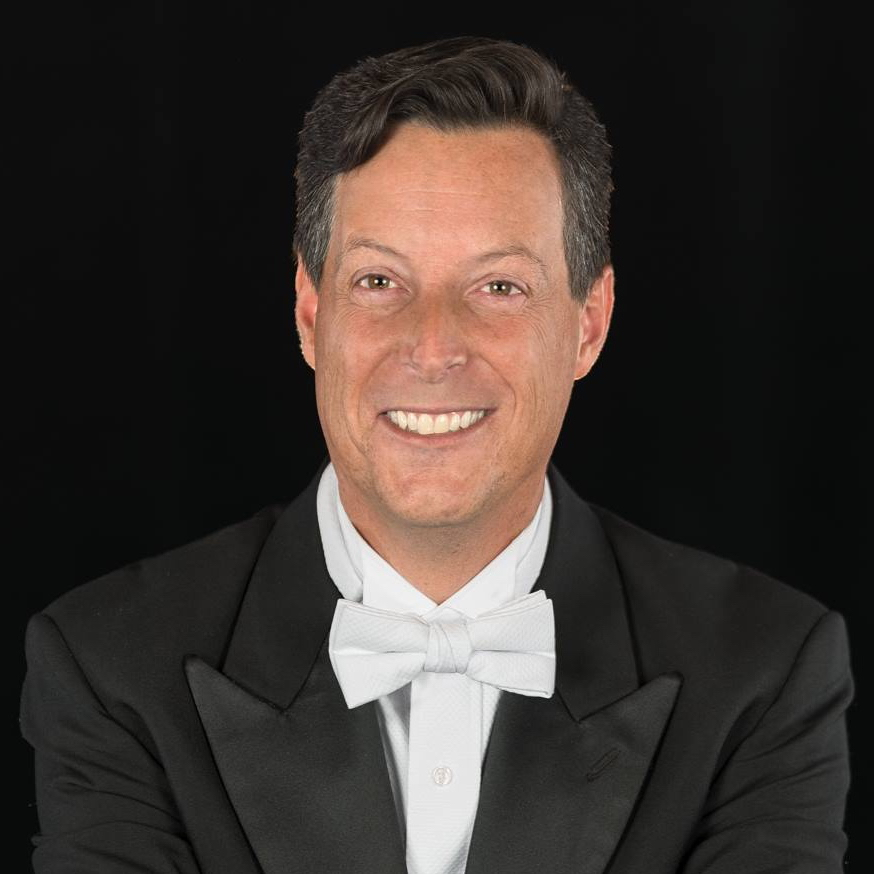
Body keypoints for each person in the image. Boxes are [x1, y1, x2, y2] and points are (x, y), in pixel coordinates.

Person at [20, 36, 853, 874]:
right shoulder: (109, 670)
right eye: (379, 282)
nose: (432, 347)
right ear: (311, 314)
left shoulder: (764, 672)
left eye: (499, 287)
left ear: (588, 324)